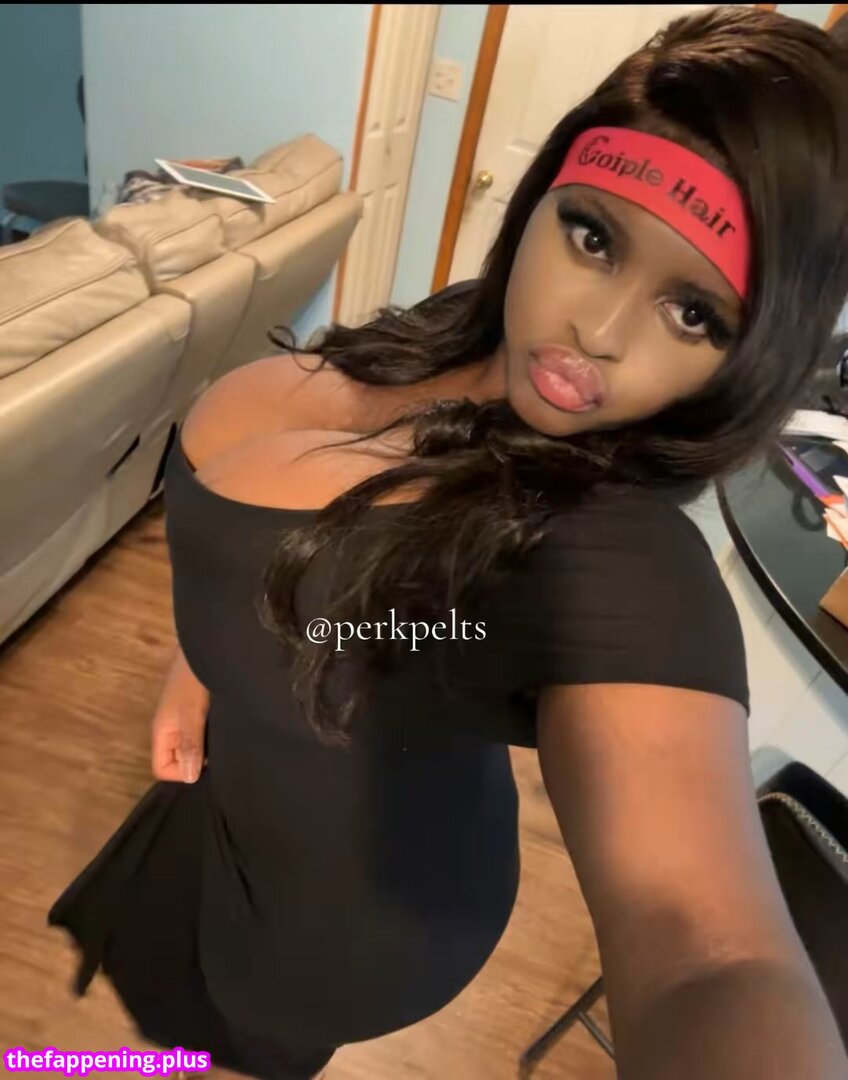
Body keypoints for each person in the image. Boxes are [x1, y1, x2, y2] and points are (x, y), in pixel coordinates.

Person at [48, 7, 848, 1079]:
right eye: (594, 237)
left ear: (749, 357)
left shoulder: (616, 562)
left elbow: (709, 954)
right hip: (232, 793)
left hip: (347, 924)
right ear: (542, 198)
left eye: (693, 313)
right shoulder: (472, 328)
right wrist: (199, 665)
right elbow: (265, 570)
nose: (598, 331)